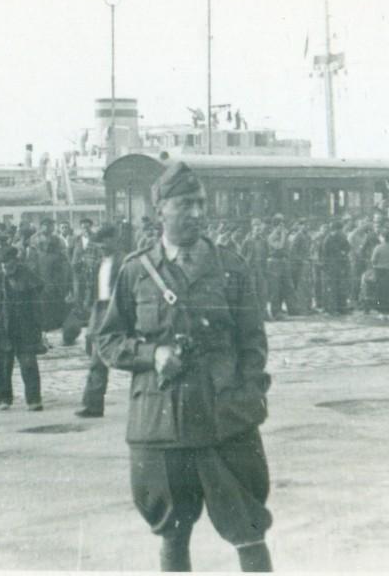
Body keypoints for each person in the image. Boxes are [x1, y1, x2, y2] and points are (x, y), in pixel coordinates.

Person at [94, 161, 274, 572]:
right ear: (161, 210)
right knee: (172, 531)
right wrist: (151, 355)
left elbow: (253, 342)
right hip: (162, 423)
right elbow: (107, 340)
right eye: (185, 204)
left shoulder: (230, 266)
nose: (197, 213)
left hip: (224, 421)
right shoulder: (136, 271)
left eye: (200, 204)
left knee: (248, 528)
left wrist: (246, 396)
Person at [0, 246, 45, 410]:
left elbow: (38, 304)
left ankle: (34, 400)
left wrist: (42, 328)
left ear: (15, 261)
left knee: (28, 364)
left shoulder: (28, 276)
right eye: (2, 265)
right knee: (3, 365)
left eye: (8, 264)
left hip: (26, 328)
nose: (5, 268)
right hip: (3, 328)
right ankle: (4, 399)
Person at [75, 225, 125, 418]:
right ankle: (93, 404)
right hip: (100, 310)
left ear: (114, 240)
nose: (102, 246)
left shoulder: (125, 261)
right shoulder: (100, 263)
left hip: (119, 312)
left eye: (105, 241)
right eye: (99, 242)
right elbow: (96, 291)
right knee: (97, 358)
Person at [366, 231, 389, 321]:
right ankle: (387, 311)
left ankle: (380, 311)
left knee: (380, 291)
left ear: (383, 238)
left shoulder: (378, 248)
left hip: (380, 271)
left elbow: (373, 260)